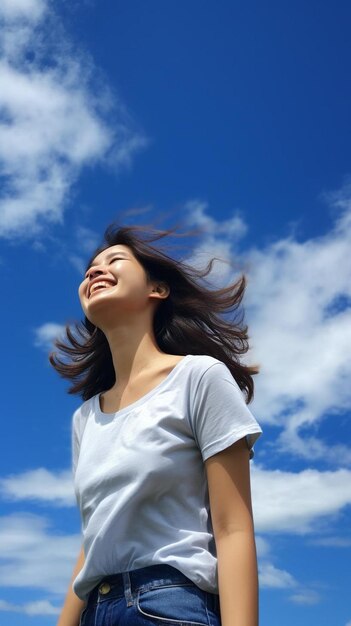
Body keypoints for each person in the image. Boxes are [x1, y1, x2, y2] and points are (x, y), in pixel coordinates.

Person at [51, 223, 262, 626]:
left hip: (168, 607)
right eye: (89, 269)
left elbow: (232, 527)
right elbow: (96, 537)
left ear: (157, 290)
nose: (94, 272)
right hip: (94, 609)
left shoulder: (199, 377)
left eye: (114, 261)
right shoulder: (85, 418)